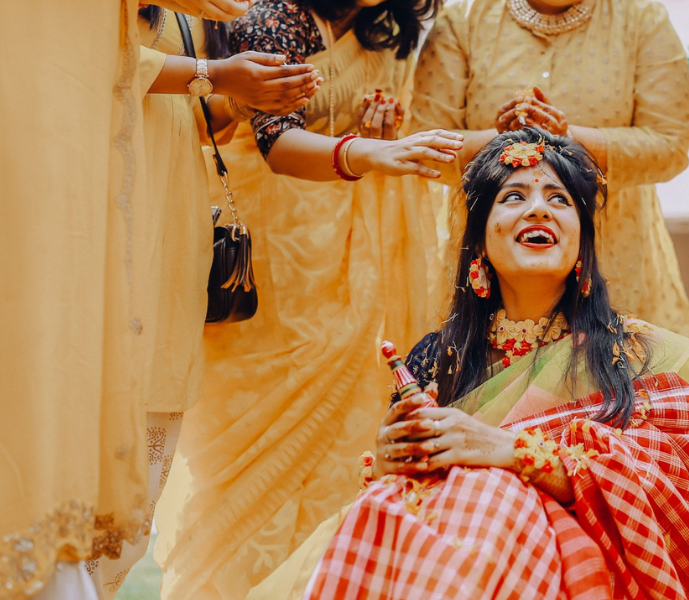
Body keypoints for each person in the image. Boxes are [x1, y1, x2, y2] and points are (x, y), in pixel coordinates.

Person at [242, 127, 689, 600]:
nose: (537, 208)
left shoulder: (635, 355)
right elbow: (417, 509)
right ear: (478, 246)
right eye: (513, 197)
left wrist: (511, 453)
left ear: (582, 245)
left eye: (558, 198)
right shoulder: (437, 360)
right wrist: (392, 461)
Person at [154, 0, 463, 597]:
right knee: (250, 465)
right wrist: (367, 151)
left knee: (350, 443)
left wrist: (380, 127)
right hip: (275, 270)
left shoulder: (391, 27)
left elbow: (386, 124)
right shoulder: (277, 13)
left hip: (362, 267)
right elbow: (274, 141)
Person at [0, 0, 248, 598]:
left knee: (116, 507)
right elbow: (118, 68)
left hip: (160, 242)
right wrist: (219, 74)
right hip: (63, 224)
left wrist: (233, 94)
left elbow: (202, 108)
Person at [83, 7, 322, 596]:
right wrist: (214, 73)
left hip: (168, 245)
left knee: (131, 502)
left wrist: (251, 94)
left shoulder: (189, 20)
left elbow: (195, 121)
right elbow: (86, 63)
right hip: (96, 230)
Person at [410, 0, 689, 337]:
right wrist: (502, 140)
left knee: (611, 379)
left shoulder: (641, 18)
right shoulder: (463, 20)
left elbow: (670, 145)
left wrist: (569, 139)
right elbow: (424, 147)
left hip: (615, 256)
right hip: (492, 272)